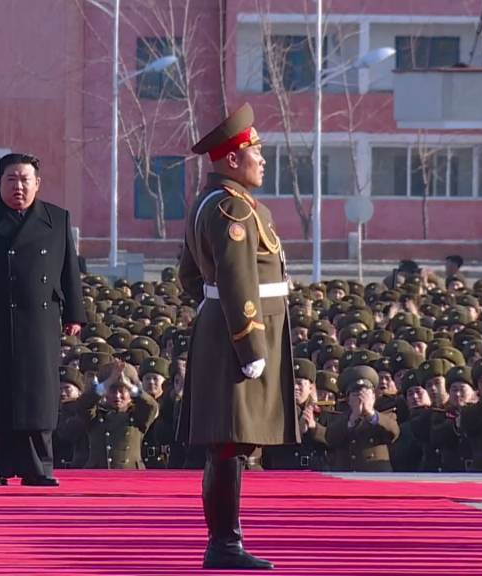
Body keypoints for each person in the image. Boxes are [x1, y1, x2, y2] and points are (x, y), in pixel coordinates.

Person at [178, 103, 298, 570]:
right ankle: (224, 544)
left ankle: (227, 540)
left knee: (233, 442)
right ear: (232, 159)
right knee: (229, 441)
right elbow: (238, 278)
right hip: (239, 333)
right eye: (256, 152)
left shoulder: (210, 202)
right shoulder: (231, 207)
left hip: (219, 323)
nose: (263, 160)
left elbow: (190, 275)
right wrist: (249, 342)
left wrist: (211, 307)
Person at [0, 152, 86, 487]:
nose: (19, 187)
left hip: (40, 322)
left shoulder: (57, 219)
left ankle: (38, 467)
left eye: (25, 180)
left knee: (38, 395)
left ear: (37, 184)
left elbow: (69, 271)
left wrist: (75, 314)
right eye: (11, 179)